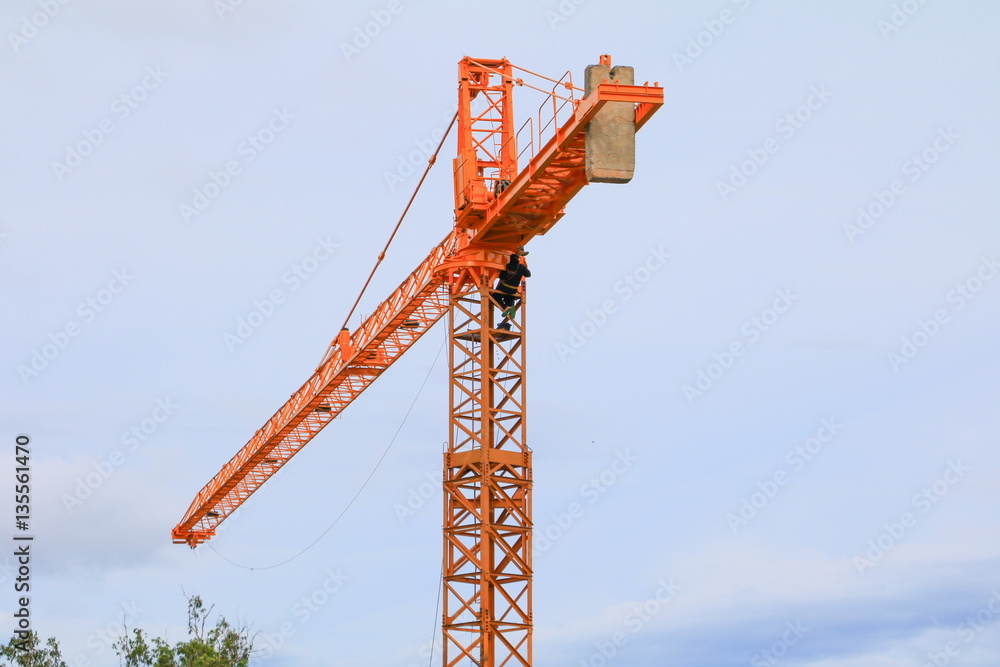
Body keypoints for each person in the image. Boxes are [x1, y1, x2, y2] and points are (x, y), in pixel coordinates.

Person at [494, 246, 530, 330]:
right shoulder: (521, 266)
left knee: (495, 297)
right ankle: (510, 306)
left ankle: (505, 308)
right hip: (513, 289)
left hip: (504, 287)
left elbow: (501, 276)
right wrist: (522, 271)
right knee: (510, 297)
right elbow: (528, 275)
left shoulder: (506, 266)